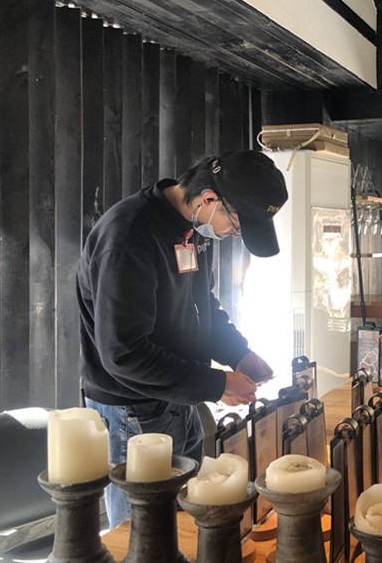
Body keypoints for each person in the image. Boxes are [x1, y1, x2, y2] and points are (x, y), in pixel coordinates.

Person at [77, 150, 287, 528]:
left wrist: (238, 354)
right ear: (209, 199)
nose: (233, 235)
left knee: (182, 523)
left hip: (179, 395)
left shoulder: (192, 226)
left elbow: (202, 304)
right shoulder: (129, 236)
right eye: (236, 226)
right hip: (133, 408)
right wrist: (215, 384)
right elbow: (123, 353)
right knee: (145, 534)